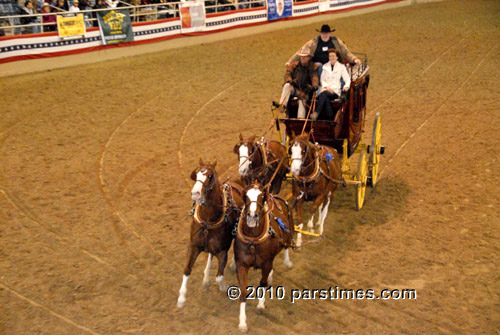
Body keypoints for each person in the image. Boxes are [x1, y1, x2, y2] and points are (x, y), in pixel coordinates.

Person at [287, 24, 360, 79]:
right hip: (318, 68)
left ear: (330, 33)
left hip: (333, 65)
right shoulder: (313, 43)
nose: (325, 35)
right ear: (320, 33)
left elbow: (346, 53)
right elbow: (301, 52)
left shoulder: (336, 42)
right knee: (319, 65)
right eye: (323, 33)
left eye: (327, 33)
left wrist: (354, 59)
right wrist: (290, 62)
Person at [279, 46, 319, 119]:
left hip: (304, 91)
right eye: (301, 57)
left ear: (308, 57)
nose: (302, 58)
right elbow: (287, 74)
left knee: (302, 101)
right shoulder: (294, 65)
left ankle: (300, 119)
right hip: (294, 88)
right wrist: (290, 80)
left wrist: (314, 86)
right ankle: (282, 105)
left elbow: (314, 77)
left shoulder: (313, 67)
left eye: (304, 57)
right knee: (287, 86)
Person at [311, 48, 351, 121]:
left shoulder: (341, 67)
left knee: (324, 94)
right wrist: (326, 87)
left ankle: (316, 112)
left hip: (335, 91)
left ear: (337, 57)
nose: (331, 58)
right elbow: (322, 79)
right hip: (326, 89)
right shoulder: (325, 66)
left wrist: (346, 87)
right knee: (325, 97)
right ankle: (330, 117)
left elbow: (347, 79)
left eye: (333, 56)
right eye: (330, 56)